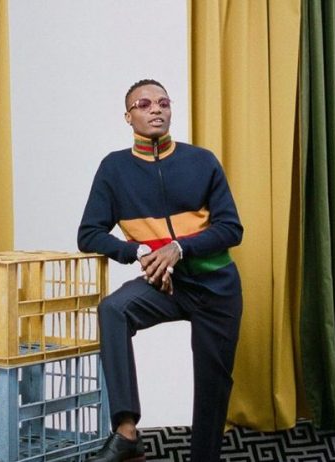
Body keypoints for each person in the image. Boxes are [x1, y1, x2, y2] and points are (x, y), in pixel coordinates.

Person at [77, 79, 243, 462]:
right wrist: (140, 252)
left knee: (213, 384)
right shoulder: (114, 169)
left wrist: (178, 248)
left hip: (217, 288)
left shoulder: (202, 161)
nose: (156, 109)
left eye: (163, 102)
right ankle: (126, 431)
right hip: (166, 287)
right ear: (128, 116)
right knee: (114, 309)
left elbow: (231, 228)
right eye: (144, 104)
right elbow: (89, 234)